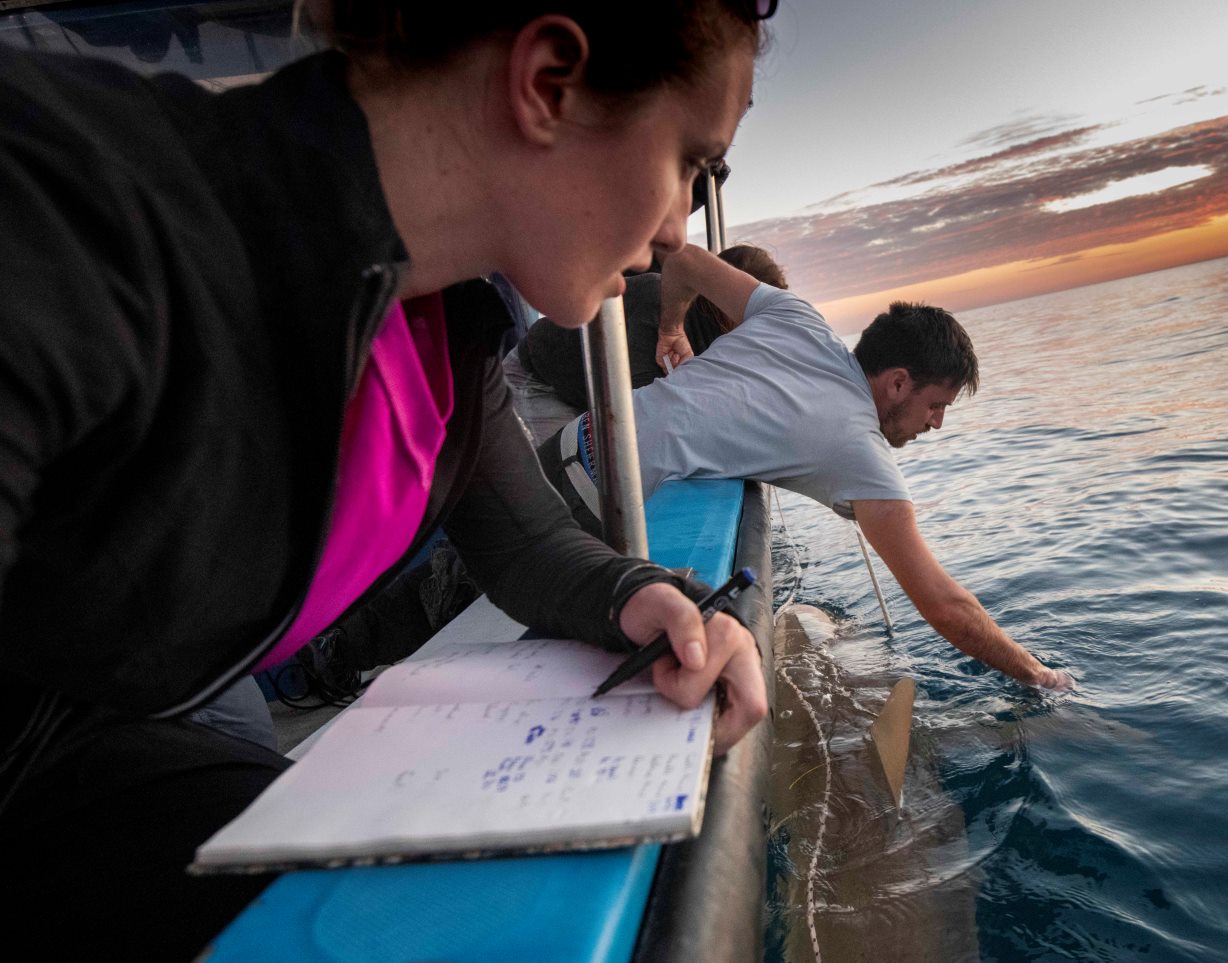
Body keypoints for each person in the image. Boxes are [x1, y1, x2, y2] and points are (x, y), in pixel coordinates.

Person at [0, 2, 773, 956]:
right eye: (691, 162)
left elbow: (525, 542)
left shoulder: (445, 329)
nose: (674, 228)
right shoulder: (71, 210)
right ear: (546, 85)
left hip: (127, 727)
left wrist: (656, 596)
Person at [547, 246, 1076, 690]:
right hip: (590, 513)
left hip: (565, 445)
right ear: (897, 382)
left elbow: (683, 260)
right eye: (936, 405)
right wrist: (1041, 676)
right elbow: (945, 607)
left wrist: (673, 329)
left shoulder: (794, 315)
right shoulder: (860, 450)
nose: (935, 424)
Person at [503, 243, 789, 445]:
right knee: (570, 488)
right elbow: (640, 409)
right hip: (538, 381)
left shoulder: (722, 334)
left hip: (586, 392)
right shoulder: (658, 301)